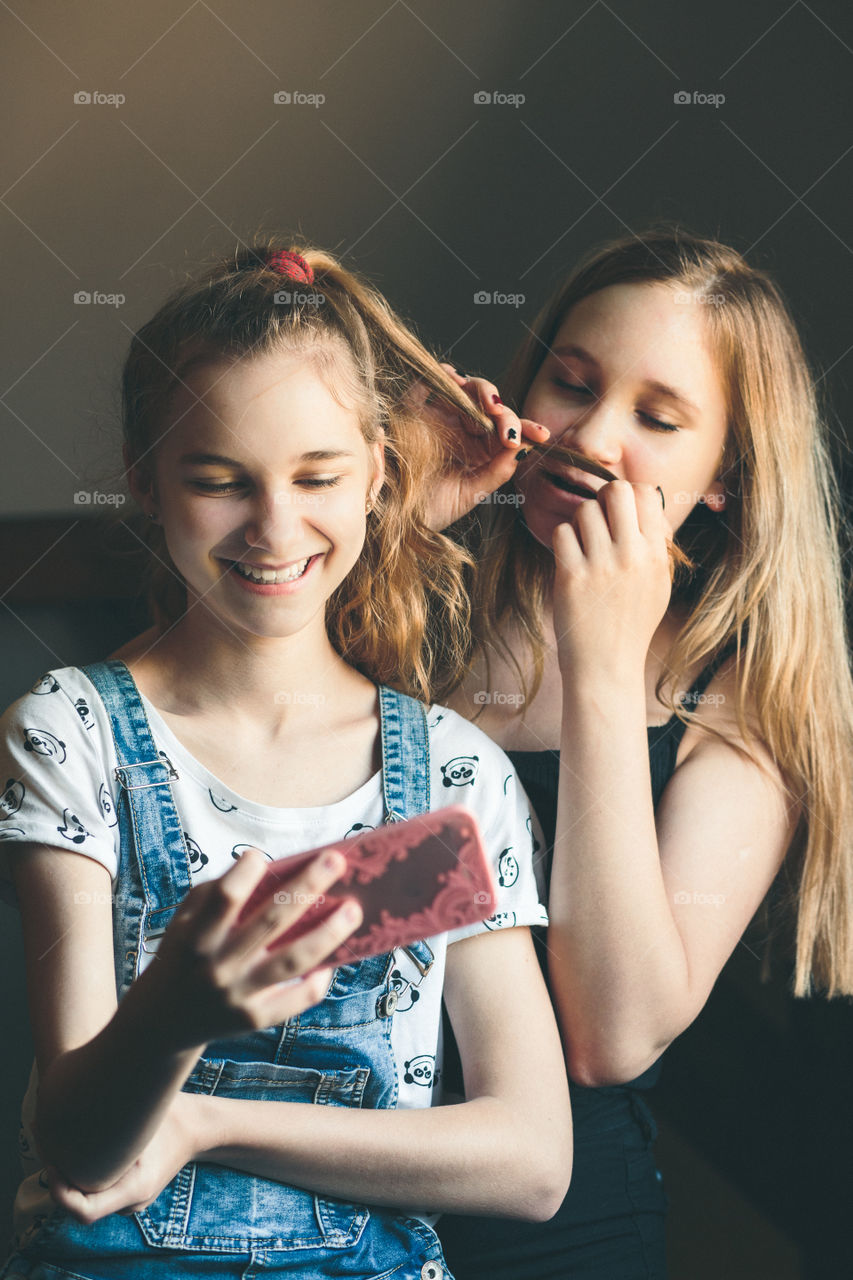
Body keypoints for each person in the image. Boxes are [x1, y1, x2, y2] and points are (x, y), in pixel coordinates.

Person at [0, 242, 571, 1280]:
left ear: (378, 477)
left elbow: (529, 1159)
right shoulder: (72, 734)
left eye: (319, 476)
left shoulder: (444, 774)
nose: (273, 527)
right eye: (220, 480)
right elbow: (79, 1147)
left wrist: (205, 1123)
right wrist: (170, 1016)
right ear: (144, 478)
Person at [430, 228, 853, 1279]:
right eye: (569, 382)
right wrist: (391, 522)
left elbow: (611, 1036)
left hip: (554, 1236)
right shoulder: (415, 599)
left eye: (658, 418)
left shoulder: (741, 695)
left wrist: (606, 666)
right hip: (309, 1211)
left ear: (725, 476)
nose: (592, 433)